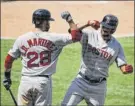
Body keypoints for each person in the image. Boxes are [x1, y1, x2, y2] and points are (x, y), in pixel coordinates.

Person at [3, 9, 80, 106]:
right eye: (47, 21)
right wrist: (69, 20)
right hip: (42, 83)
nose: (49, 24)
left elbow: (9, 59)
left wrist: (7, 77)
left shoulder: (21, 39)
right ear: (43, 22)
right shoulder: (54, 38)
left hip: (25, 82)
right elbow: (76, 36)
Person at [61, 11, 133, 106]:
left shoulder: (117, 46)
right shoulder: (90, 34)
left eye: (109, 28)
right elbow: (73, 32)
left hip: (99, 87)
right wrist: (87, 23)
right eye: (104, 26)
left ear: (113, 30)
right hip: (81, 81)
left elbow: (123, 66)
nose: (105, 29)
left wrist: (127, 69)